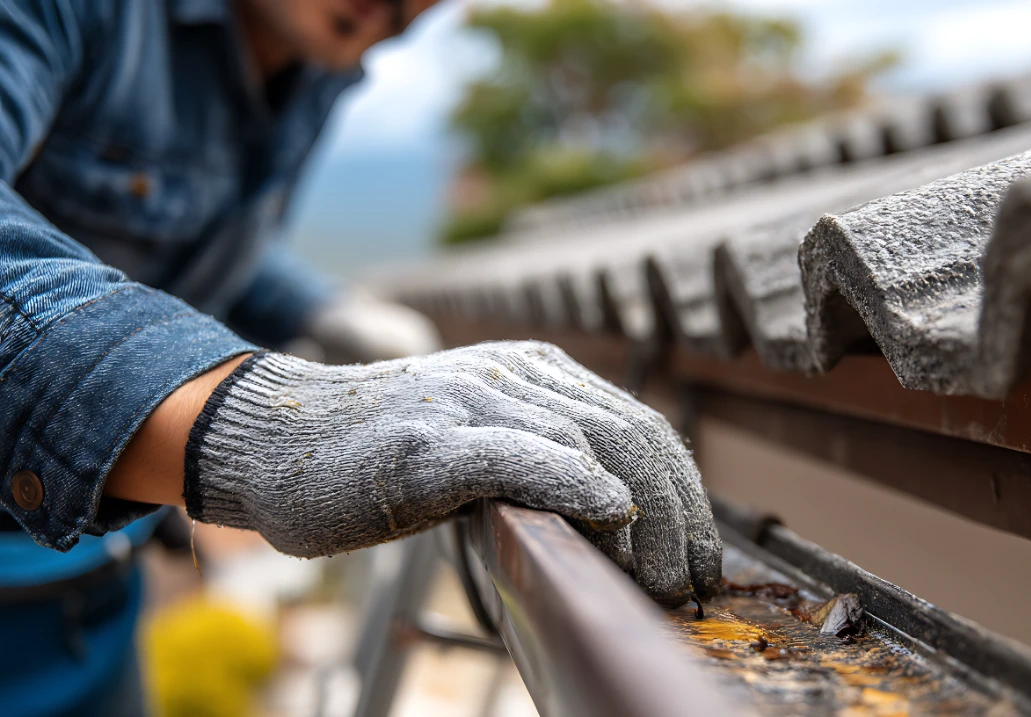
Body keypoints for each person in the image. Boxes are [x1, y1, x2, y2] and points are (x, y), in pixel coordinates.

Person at [0, 1, 722, 714]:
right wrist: (265, 421)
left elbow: (198, 227)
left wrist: (323, 309)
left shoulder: (311, 57)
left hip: (91, 587)